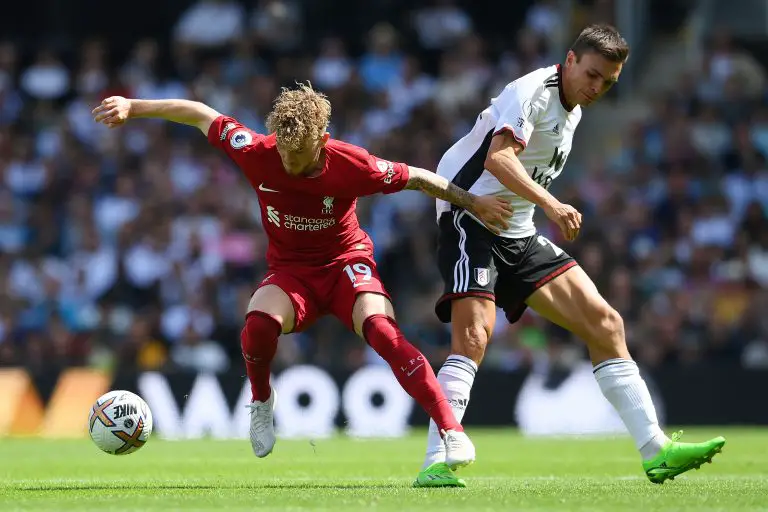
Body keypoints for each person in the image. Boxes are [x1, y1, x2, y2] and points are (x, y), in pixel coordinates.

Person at [93, 83, 514, 468]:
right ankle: (261, 403)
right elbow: (200, 113)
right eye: (284, 153)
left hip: (346, 264)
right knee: (258, 324)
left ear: (322, 140)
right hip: (292, 273)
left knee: (383, 333)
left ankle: (452, 432)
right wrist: (134, 106)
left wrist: (472, 202)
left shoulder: (353, 164)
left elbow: (419, 178)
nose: (290, 163)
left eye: (300, 156)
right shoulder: (257, 151)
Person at [414, 24, 726, 488]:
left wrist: (537, 209)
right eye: (593, 75)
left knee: (606, 323)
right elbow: (498, 159)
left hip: (517, 232)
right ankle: (435, 460)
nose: (597, 88)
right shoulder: (532, 92)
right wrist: (552, 204)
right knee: (475, 337)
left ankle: (656, 450)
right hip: (472, 215)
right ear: (571, 59)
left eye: (609, 83)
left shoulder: (574, 109)